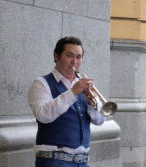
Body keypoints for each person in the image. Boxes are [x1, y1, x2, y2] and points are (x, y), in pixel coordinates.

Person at [28, 37, 106, 167]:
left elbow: (100, 120)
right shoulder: (41, 83)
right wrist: (73, 92)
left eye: (78, 57)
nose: (74, 62)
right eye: (69, 56)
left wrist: (91, 104)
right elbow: (43, 115)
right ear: (57, 56)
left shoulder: (83, 85)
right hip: (53, 160)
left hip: (82, 161)